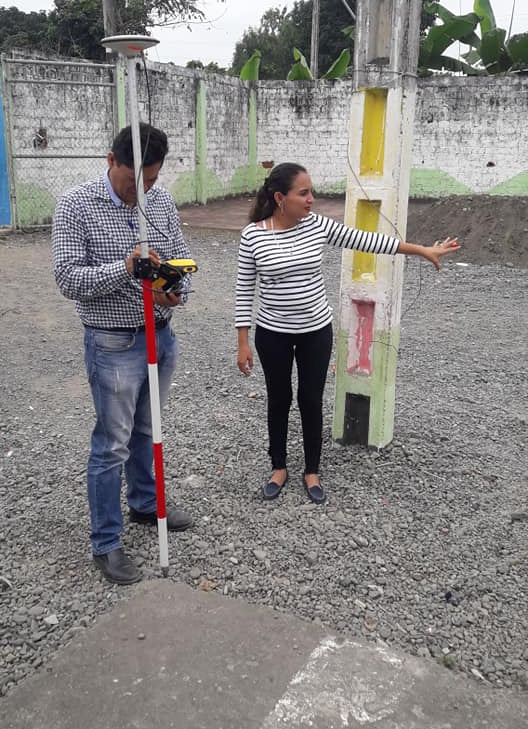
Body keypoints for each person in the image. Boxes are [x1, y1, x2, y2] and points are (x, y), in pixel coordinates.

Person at [236, 162, 459, 504]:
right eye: (303, 193)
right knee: (279, 399)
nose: (311, 199)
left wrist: (421, 250)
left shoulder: (316, 225)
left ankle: (312, 470)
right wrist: (242, 342)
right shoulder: (253, 235)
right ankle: (278, 467)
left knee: (310, 400)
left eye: (311, 192)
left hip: (315, 332)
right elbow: (243, 290)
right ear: (280, 198)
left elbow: (368, 240)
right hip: (273, 333)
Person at [52, 123, 193, 585]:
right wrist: (126, 269)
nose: (143, 191)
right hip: (112, 343)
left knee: (148, 430)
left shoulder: (161, 202)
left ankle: (145, 505)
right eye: (135, 181)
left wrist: (175, 290)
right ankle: (106, 541)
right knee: (112, 444)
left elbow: (180, 260)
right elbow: (69, 279)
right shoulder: (76, 205)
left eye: (151, 180)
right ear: (111, 161)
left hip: (161, 334)